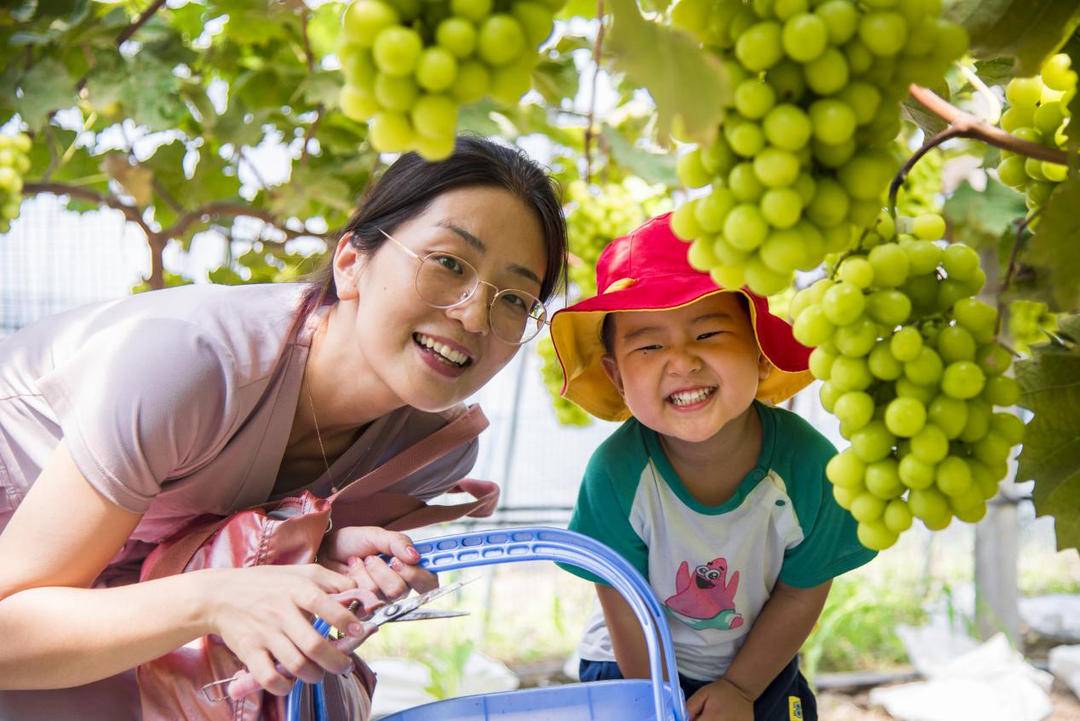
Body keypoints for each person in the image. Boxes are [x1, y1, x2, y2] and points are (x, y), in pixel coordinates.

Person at [0, 136, 567, 719]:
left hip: (106, 605)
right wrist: (215, 599)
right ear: (351, 262)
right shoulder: (191, 364)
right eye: (449, 263)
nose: (474, 315)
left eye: (517, 299)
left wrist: (321, 554)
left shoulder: (434, 451)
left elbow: (215, 548)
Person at [549, 213, 875, 721]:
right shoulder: (616, 473)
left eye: (708, 333)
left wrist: (741, 689)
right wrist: (657, 702)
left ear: (761, 351)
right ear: (615, 374)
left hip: (758, 663)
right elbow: (622, 599)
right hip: (633, 665)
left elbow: (800, 591)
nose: (681, 362)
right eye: (650, 345)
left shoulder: (809, 467)